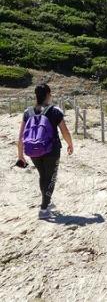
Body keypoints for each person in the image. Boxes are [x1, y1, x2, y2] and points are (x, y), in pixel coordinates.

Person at [16, 83, 73, 219]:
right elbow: (64, 131)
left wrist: (20, 155)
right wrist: (70, 144)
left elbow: (21, 136)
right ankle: (44, 209)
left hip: (32, 151)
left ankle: (46, 203)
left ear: (36, 96)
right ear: (48, 95)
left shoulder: (27, 112)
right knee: (51, 178)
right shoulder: (54, 111)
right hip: (51, 150)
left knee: (43, 176)